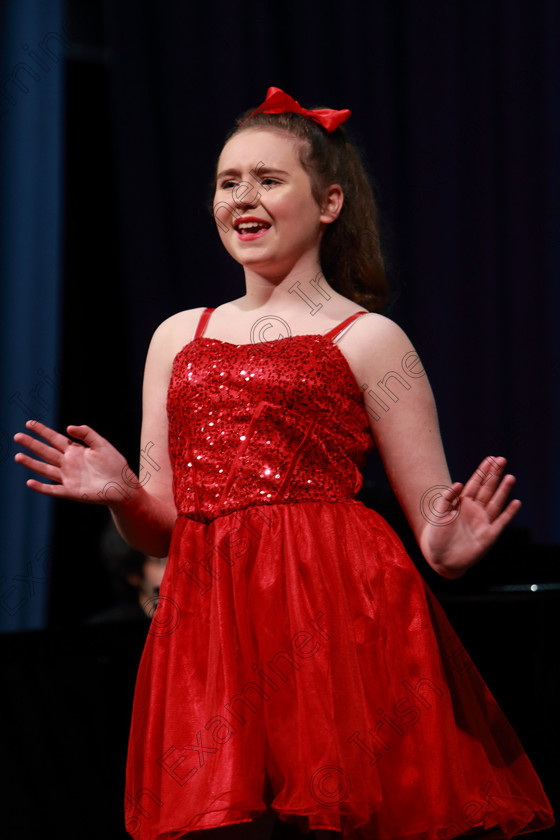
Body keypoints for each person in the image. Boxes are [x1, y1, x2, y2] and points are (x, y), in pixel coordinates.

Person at [14, 87, 554, 840]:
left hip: (337, 609)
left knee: (345, 816)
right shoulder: (178, 336)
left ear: (329, 201)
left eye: (269, 179)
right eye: (228, 180)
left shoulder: (369, 338)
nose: (244, 196)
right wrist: (123, 496)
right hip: (214, 615)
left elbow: (434, 512)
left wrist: (446, 548)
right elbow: (159, 529)